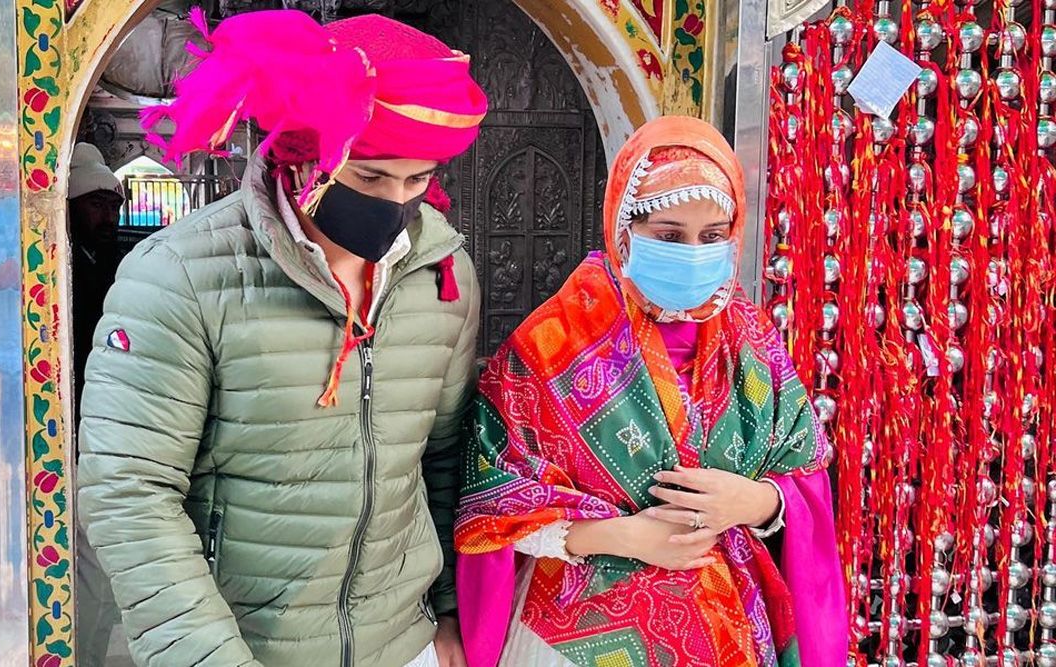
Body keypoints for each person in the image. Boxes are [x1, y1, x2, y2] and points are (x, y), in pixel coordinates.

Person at [76, 9, 487, 667]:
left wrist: (448, 619)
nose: (397, 204)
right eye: (370, 179)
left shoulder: (443, 273)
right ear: (302, 157)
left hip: (403, 646)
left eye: (417, 181)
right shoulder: (180, 277)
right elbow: (130, 494)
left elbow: (442, 462)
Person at [454, 116, 846, 666]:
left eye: (712, 237)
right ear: (622, 229)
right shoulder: (549, 345)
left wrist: (758, 502)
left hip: (727, 632)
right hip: (568, 638)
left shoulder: (753, 340)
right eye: (668, 236)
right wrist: (617, 536)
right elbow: (490, 509)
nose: (692, 252)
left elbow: (805, 474)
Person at [67, 142, 126, 425]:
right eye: (97, 205)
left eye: (114, 206)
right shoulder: (58, 264)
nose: (109, 218)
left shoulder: (119, 263)